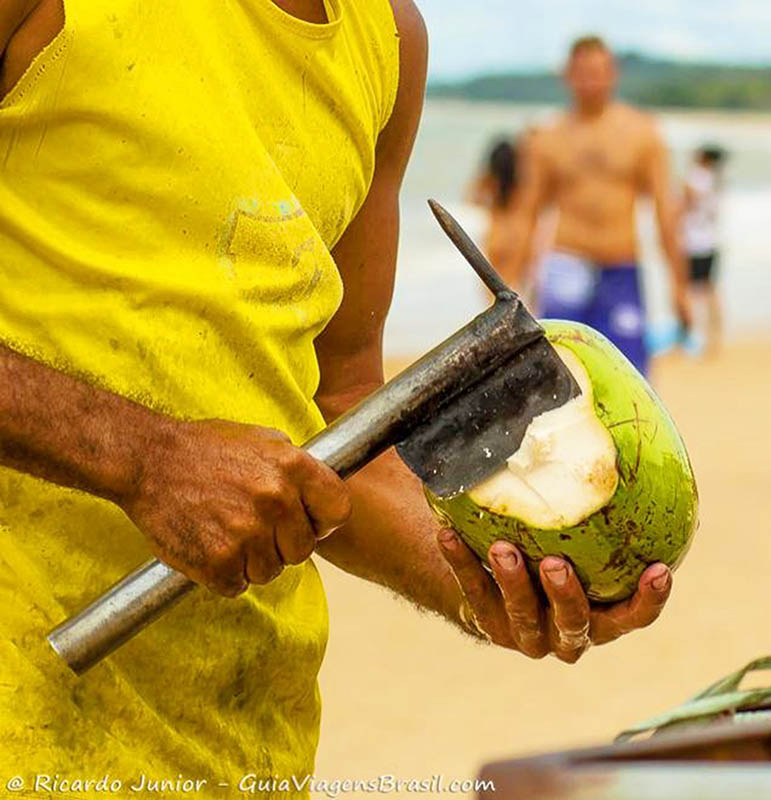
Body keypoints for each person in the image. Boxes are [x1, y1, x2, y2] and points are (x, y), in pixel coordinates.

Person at [0, 0, 673, 781]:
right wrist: (144, 460)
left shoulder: (388, 39)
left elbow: (342, 411)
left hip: (239, 726)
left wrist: (482, 576)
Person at [514, 35, 690, 375]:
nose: (590, 82)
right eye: (582, 73)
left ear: (613, 74)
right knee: (560, 376)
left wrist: (678, 284)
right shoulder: (546, 138)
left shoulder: (642, 132)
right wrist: (512, 280)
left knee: (630, 375)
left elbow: (663, 209)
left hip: (620, 266)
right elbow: (526, 213)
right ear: (567, 75)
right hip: (564, 264)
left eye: (598, 72)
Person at [681, 145, 727, 356]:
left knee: (688, 292)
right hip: (711, 240)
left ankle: (689, 339)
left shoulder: (696, 179)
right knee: (710, 292)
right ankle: (714, 338)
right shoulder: (717, 181)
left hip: (694, 242)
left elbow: (683, 207)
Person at [467, 137, 527, 287]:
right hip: (518, 234)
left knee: (491, 290)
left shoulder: (490, 181)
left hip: (496, 234)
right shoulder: (521, 183)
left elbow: (472, 199)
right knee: (514, 288)